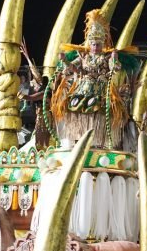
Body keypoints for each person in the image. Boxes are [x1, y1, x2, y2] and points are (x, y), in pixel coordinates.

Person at [50, 8, 138, 150]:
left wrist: (114, 59)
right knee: (74, 107)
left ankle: (98, 141)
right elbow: (74, 69)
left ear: (102, 44)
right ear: (89, 44)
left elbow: (113, 68)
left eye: (98, 44)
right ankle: (79, 138)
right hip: (83, 89)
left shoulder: (106, 57)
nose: (95, 47)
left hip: (101, 90)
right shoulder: (83, 57)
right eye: (93, 44)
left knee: (99, 110)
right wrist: (65, 61)